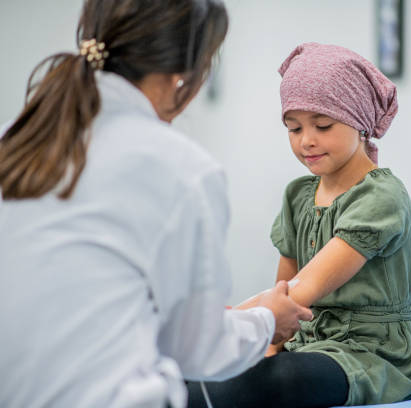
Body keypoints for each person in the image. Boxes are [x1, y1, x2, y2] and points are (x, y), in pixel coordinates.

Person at [0, 1, 312, 407]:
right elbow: (200, 351)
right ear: (187, 73)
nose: (308, 140)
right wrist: (268, 320)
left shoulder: (17, 140)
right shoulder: (181, 168)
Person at [191, 42, 411, 407]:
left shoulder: (381, 198)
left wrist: (226, 325)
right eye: (294, 128)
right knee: (202, 375)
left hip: (369, 352)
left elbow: (304, 289)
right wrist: (266, 345)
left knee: (280, 380)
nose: (306, 141)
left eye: (323, 125)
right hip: (309, 341)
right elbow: (282, 291)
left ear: (361, 122)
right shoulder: (298, 195)